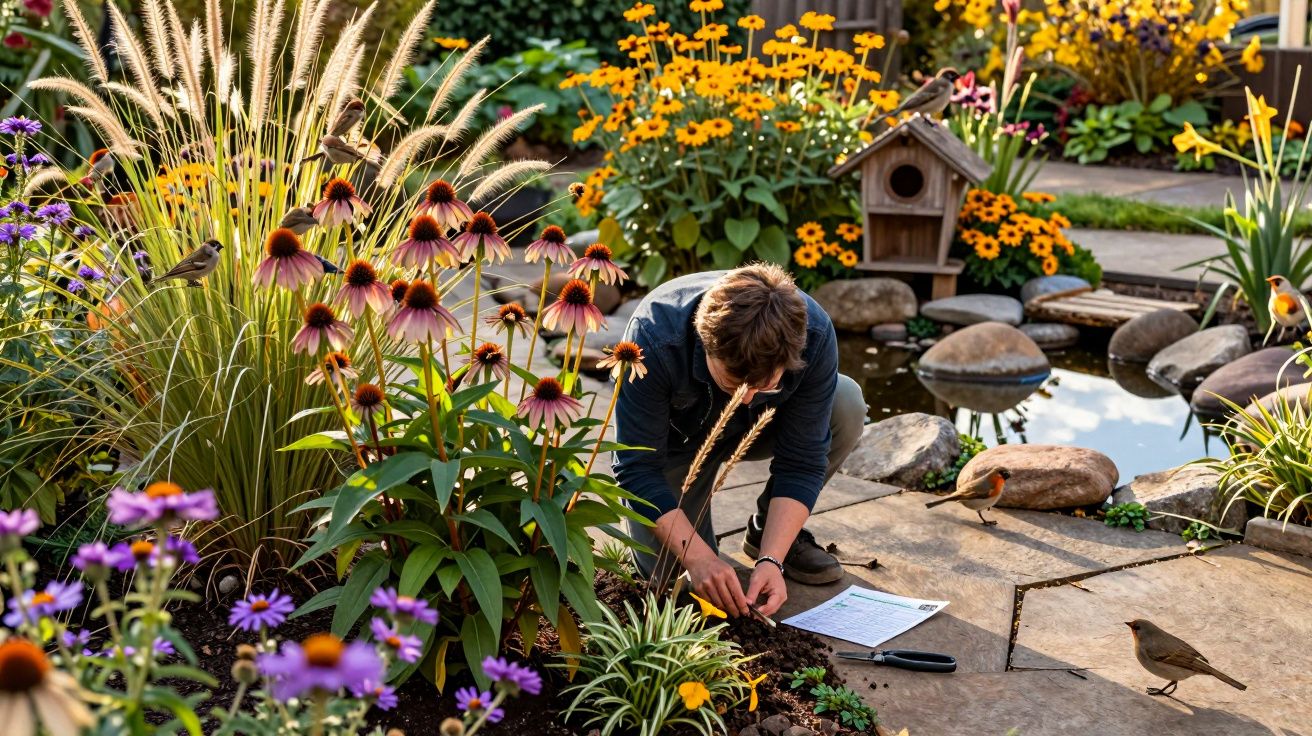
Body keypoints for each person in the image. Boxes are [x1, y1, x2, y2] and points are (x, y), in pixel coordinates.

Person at [612, 263, 866, 618]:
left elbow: (803, 460)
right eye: (733, 384)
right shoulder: (653, 338)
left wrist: (771, 559)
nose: (746, 400)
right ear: (706, 344)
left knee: (846, 401)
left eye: (765, 386)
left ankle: (768, 533)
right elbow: (637, 470)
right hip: (675, 449)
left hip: (757, 432)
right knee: (677, 583)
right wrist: (700, 559)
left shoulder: (815, 334)